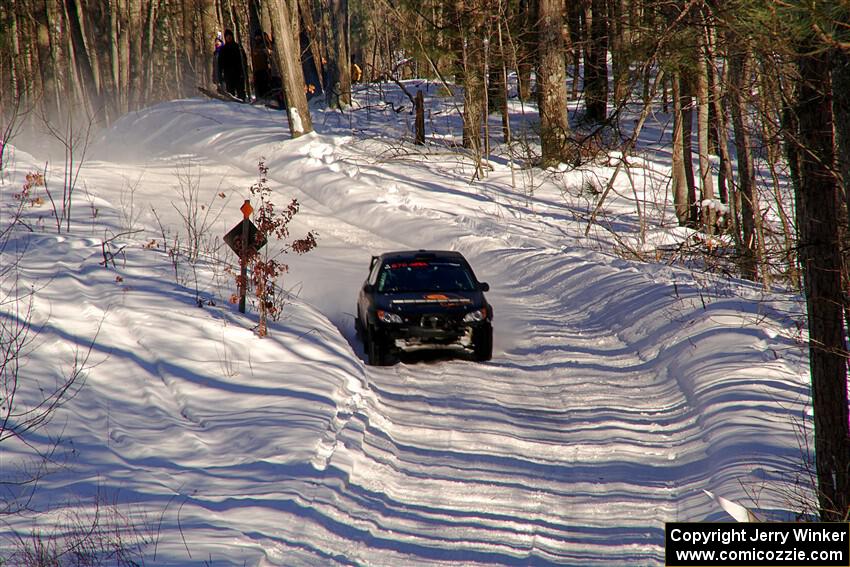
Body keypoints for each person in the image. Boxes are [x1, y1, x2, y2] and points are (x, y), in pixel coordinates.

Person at [218, 29, 247, 100]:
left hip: (238, 73)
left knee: (241, 92)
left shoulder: (238, 47)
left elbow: (244, 60)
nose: (229, 38)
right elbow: (220, 63)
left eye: (230, 36)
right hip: (228, 74)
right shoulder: (223, 49)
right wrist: (220, 76)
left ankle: (243, 105)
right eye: (227, 36)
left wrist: (244, 71)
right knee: (230, 93)